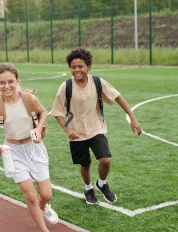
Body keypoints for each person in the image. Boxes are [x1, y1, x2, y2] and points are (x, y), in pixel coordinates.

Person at [0, 63, 58, 232]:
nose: (7, 86)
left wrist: (38, 128)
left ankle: (44, 207)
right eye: (2, 82)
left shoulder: (29, 98)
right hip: (13, 152)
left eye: (10, 81)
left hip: (34, 149)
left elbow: (44, 112)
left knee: (46, 194)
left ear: (17, 81)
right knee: (30, 195)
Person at [49, 47, 142, 205]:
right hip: (76, 133)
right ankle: (88, 188)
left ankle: (102, 183)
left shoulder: (97, 82)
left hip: (96, 128)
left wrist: (132, 118)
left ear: (88, 67)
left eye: (81, 66)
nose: (77, 70)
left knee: (105, 160)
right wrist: (67, 129)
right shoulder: (66, 86)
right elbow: (56, 111)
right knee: (85, 164)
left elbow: (117, 96)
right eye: (73, 67)